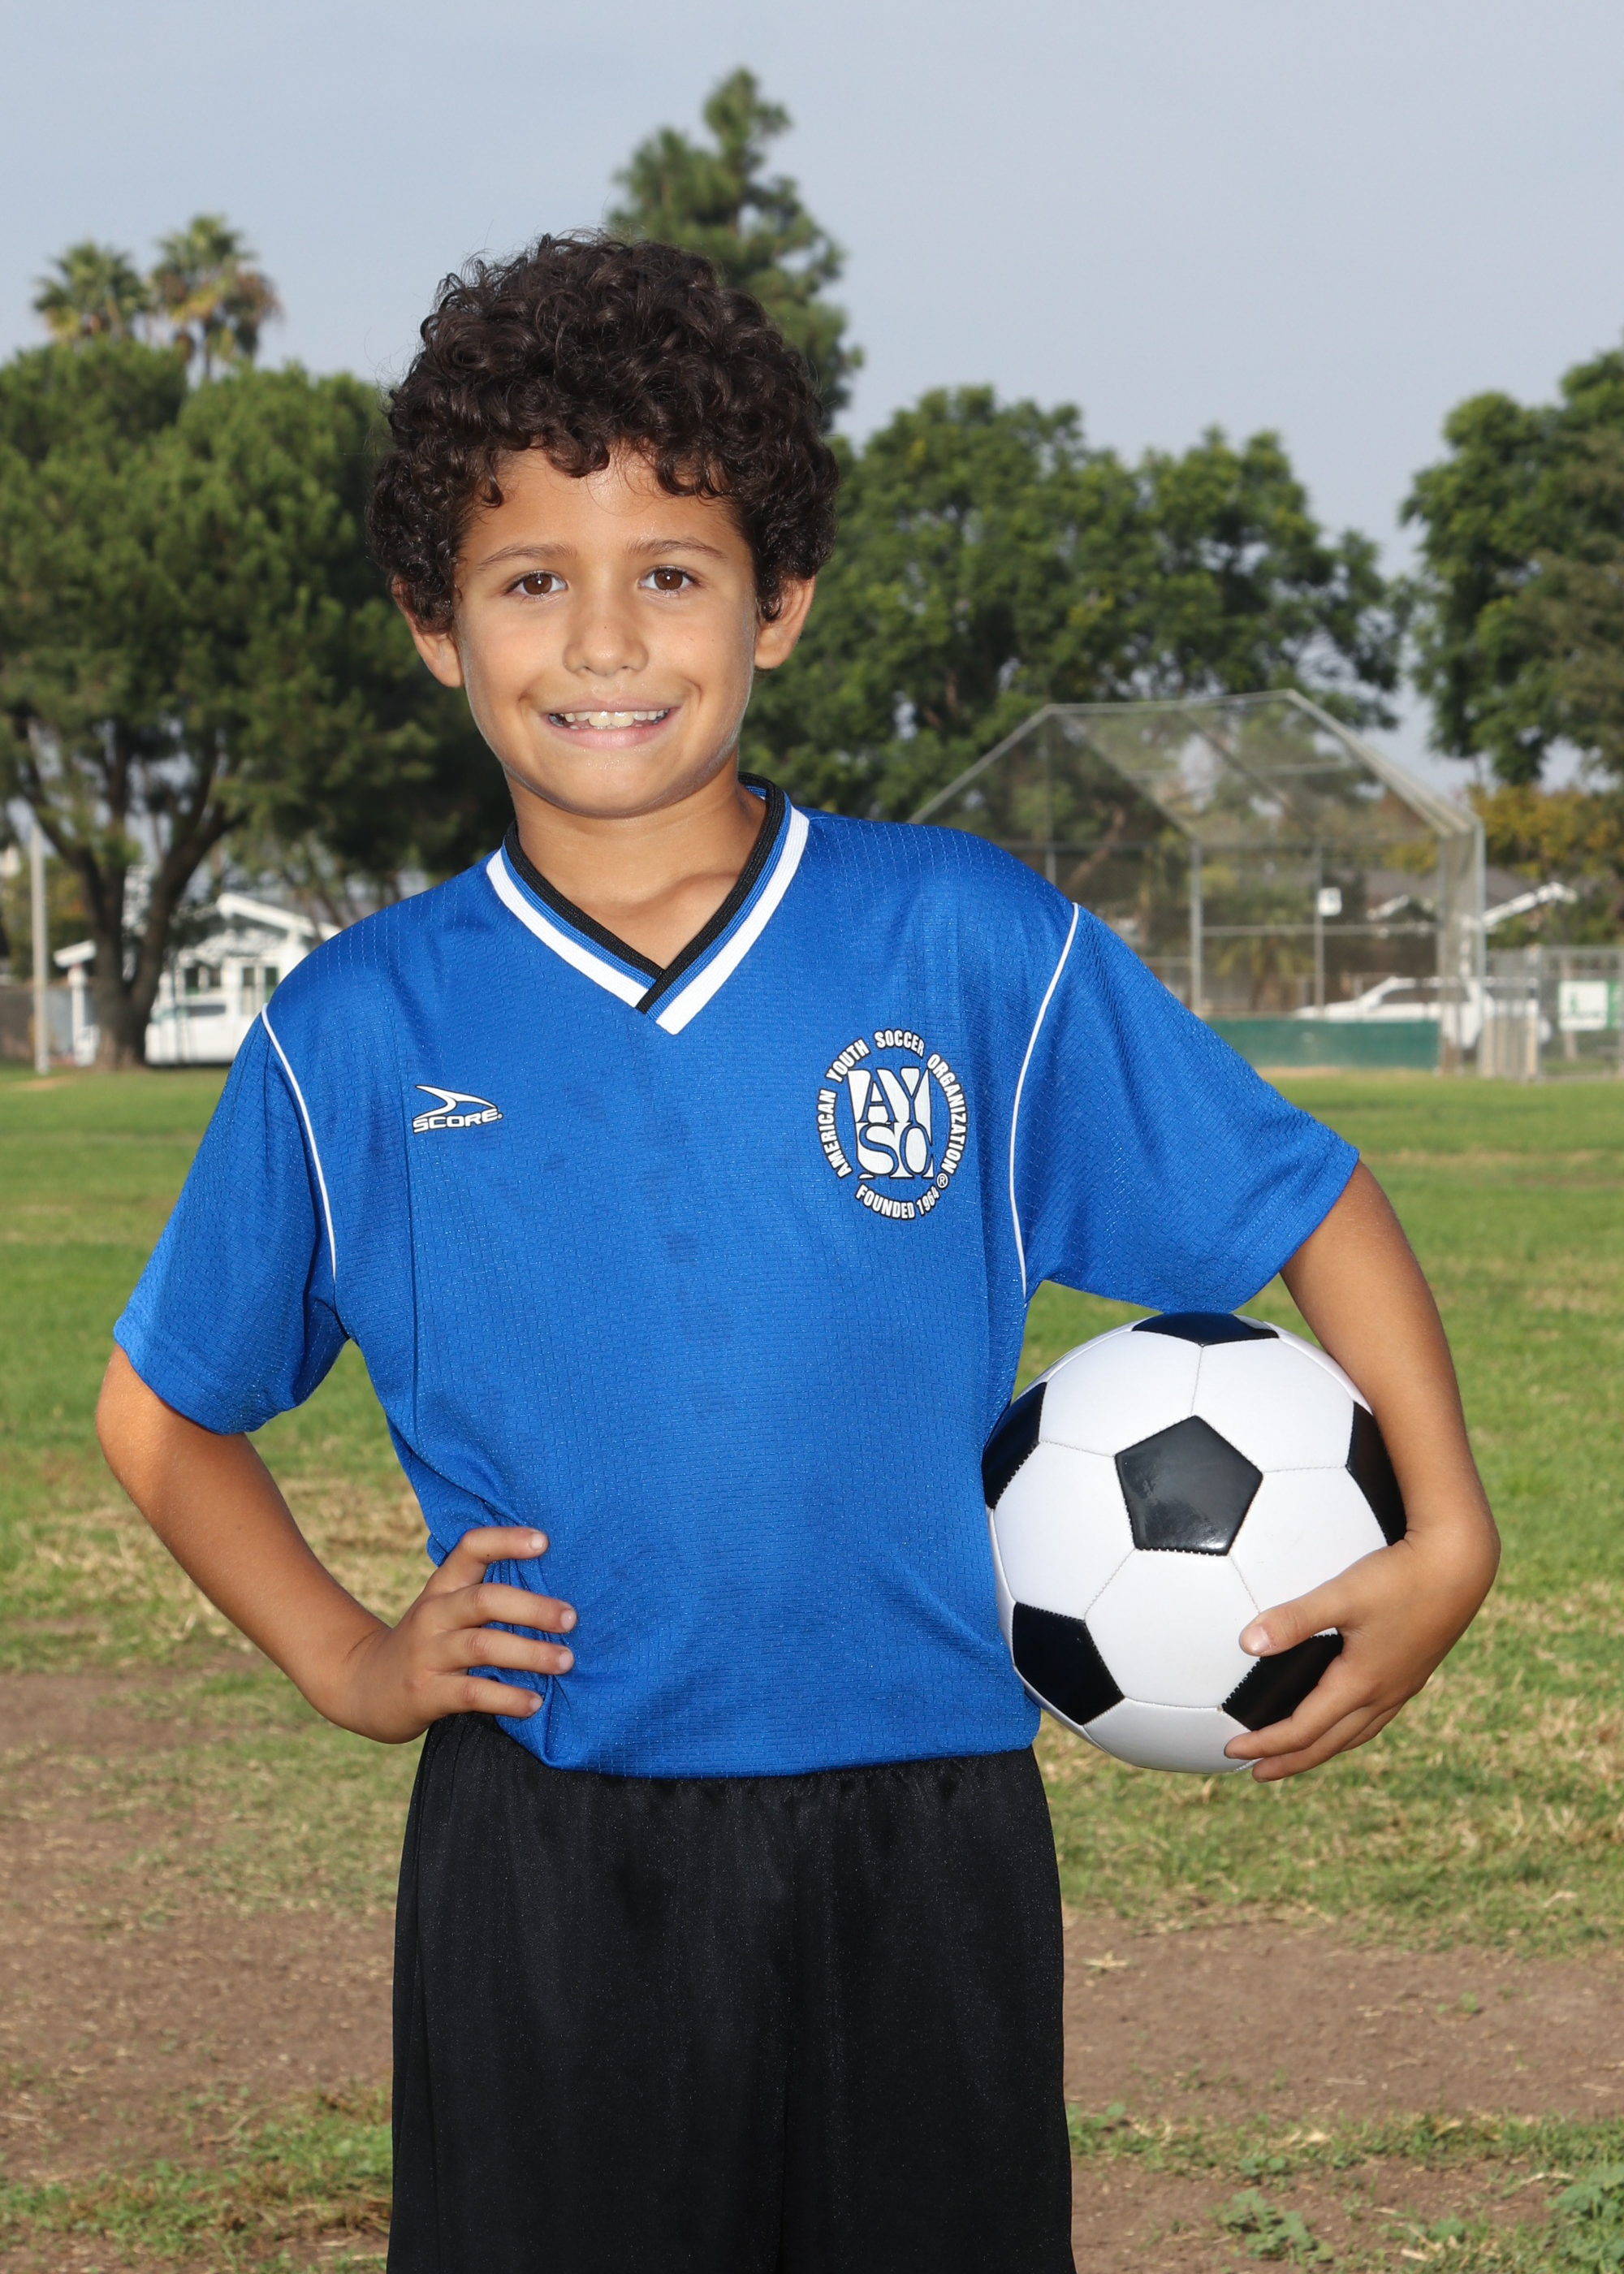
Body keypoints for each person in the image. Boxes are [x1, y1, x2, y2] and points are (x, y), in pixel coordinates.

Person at [97, 234, 1499, 2274]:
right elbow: (161, 1414)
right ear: (432, 622)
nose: (604, 637)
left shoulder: (962, 944)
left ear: (780, 602)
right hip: (550, 1844)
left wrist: (1445, 1525)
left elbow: (1304, 1198)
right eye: (529, 579)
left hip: (927, 1831)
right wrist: (351, 1658)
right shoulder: (362, 1029)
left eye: (671, 570)